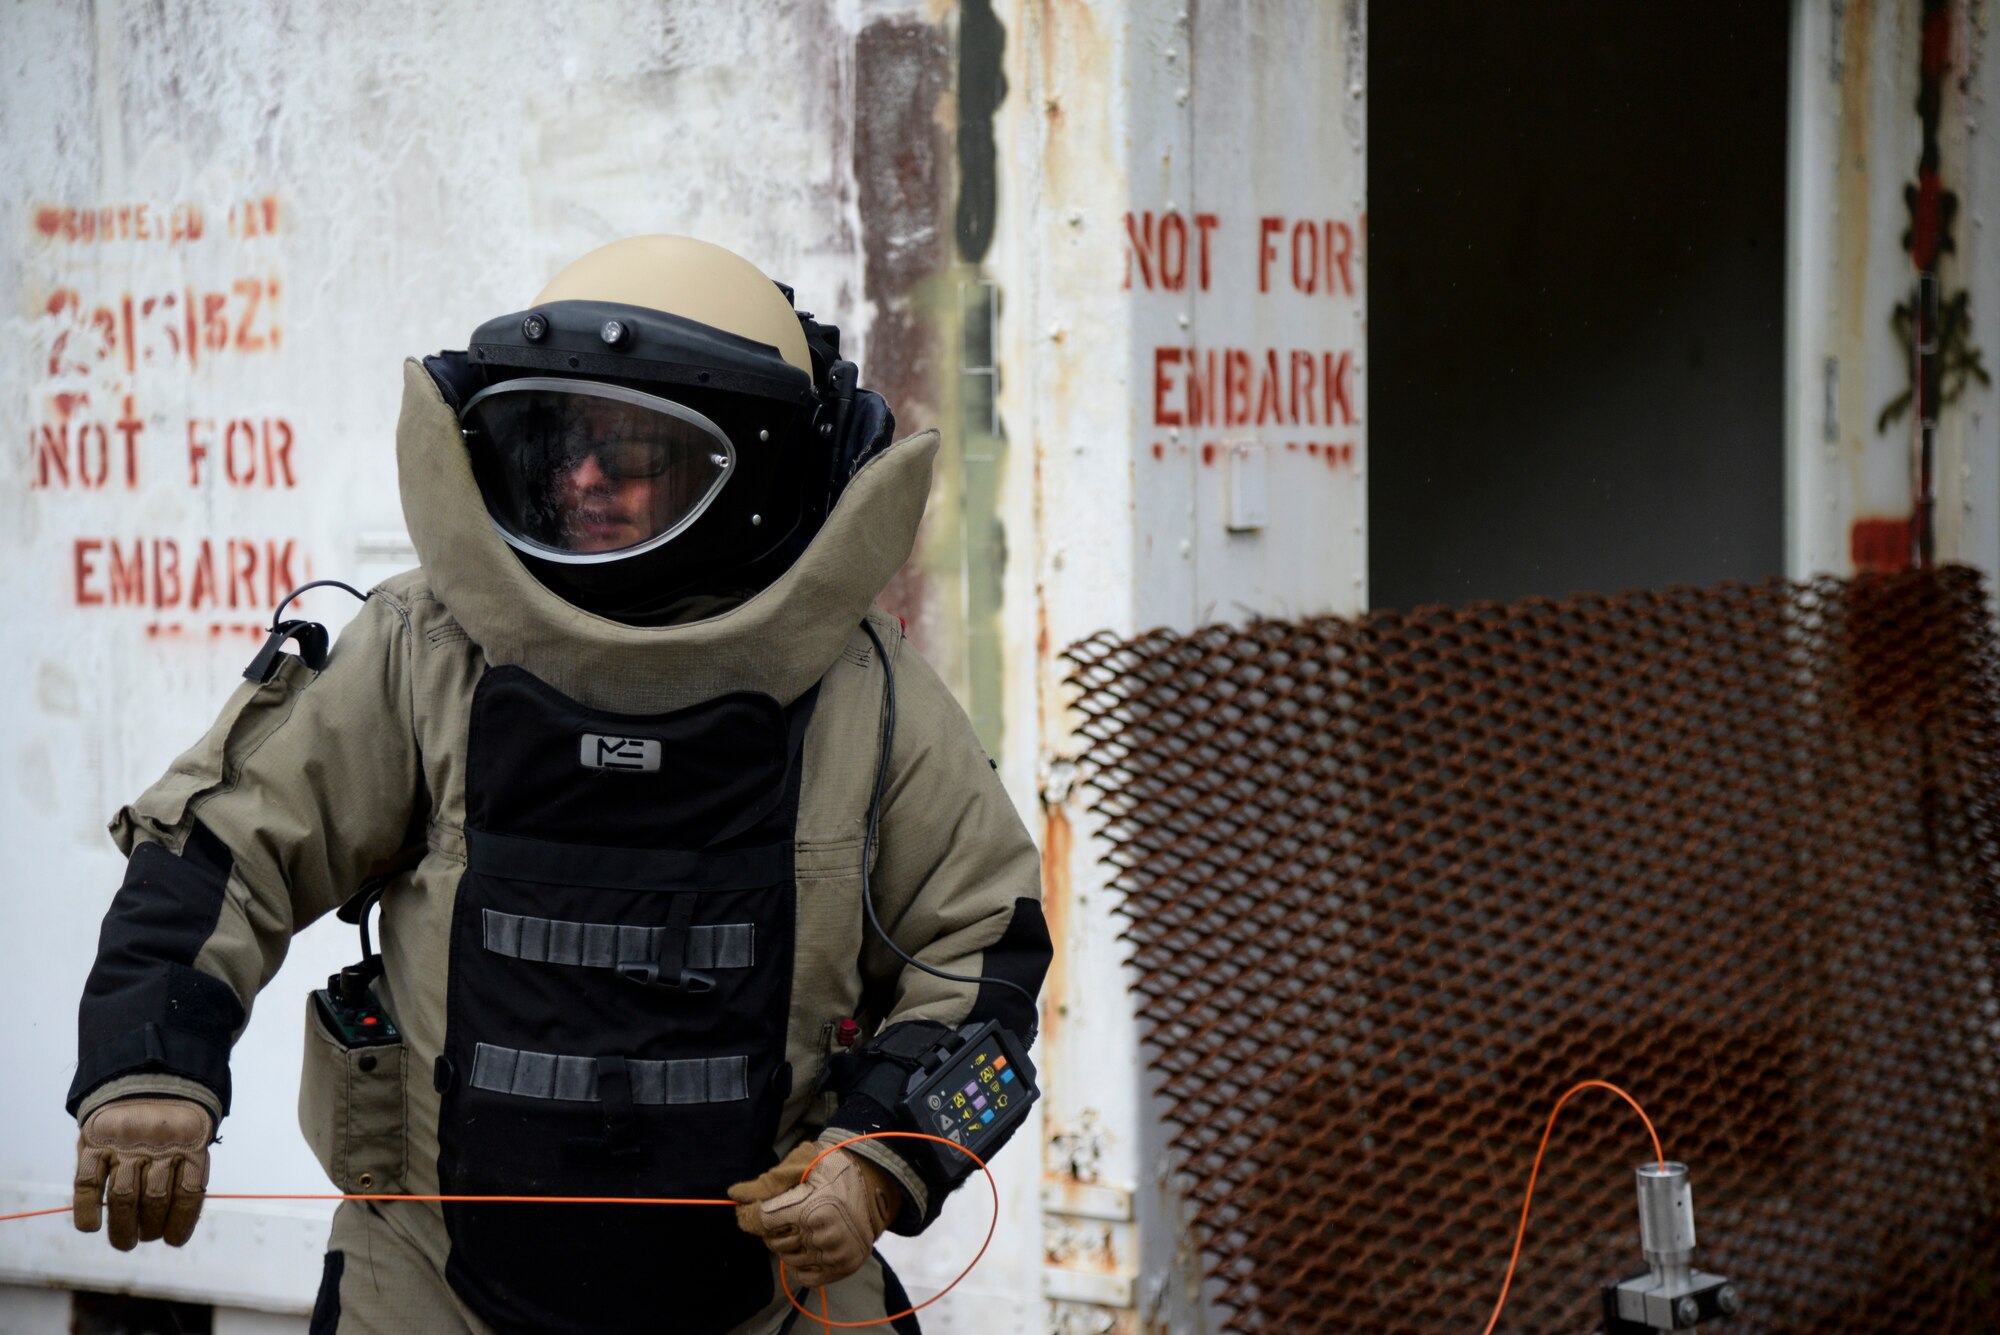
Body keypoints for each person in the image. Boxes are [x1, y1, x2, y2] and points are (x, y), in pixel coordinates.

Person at [66, 235, 1051, 1334]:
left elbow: (983, 956)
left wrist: (875, 1165)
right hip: (431, 1283)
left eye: (630, 453)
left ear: (756, 472)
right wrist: (150, 1073)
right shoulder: (423, 650)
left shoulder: (861, 691)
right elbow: (220, 856)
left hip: (771, 1293)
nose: (581, 481)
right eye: (556, 445)